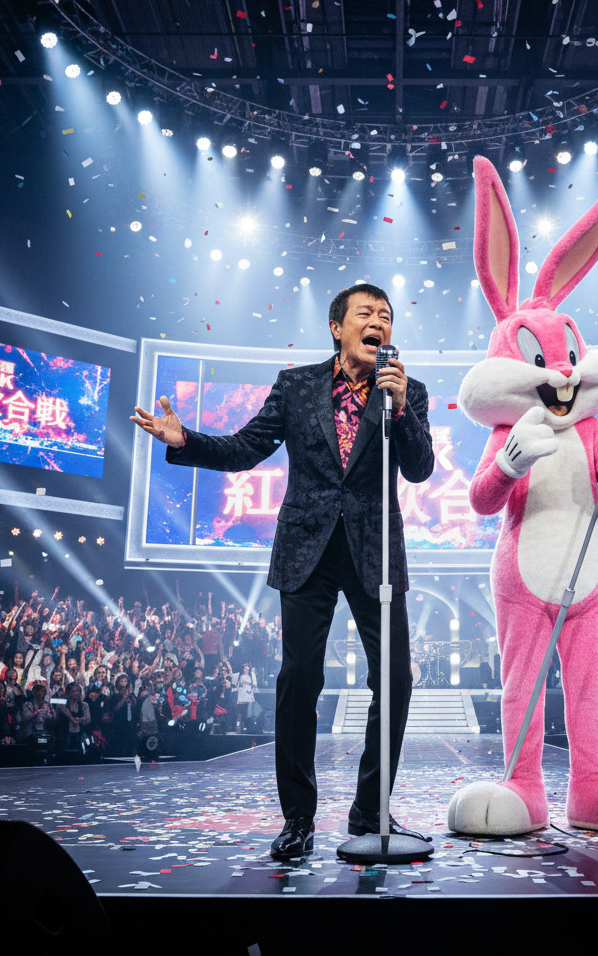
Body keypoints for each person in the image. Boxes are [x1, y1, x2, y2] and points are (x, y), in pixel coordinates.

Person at [131, 282, 435, 859]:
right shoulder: (296, 386)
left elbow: (419, 469)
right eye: (366, 313)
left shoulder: (406, 389)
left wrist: (400, 409)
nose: (378, 323)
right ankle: (298, 818)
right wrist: (184, 439)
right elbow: (246, 448)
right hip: (306, 549)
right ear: (337, 327)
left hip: (376, 552)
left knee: (396, 679)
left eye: (386, 316)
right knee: (299, 681)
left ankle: (371, 811)